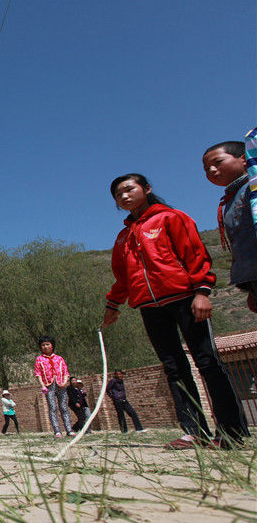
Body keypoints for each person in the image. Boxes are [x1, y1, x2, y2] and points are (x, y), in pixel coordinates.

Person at [103, 173, 250, 449]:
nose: (123, 196)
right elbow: (122, 278)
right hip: (149, 307)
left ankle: (231, 431)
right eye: (117, 194)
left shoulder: (171, 218)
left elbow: (195, 255)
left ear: (146, 188)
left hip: (184, 298)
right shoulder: (123, 237)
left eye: (128, 189)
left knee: (207, 362)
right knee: (174, 368)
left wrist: (202, 292)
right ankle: (194, 432)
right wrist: (113, 306)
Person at [203, 141, 257, 313]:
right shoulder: (231, 199)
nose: (211, 170)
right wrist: (250, 289)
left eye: (217, 162)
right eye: (206, 168)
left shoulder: (253, 187)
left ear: (243, 160)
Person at [34, 336, 74, 438]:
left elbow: (66, 371)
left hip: (60, 384)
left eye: (47, 344)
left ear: (52, 345)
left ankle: (69, 430)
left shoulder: (59, 358)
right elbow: (38, 374)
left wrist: (65, 381)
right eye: (43, 345)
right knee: (52, 407)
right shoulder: (39, 359)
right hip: (48, 385)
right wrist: (42, 386)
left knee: (64, 407)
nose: (45, 347)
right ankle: (57, 430)